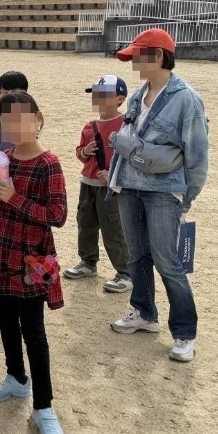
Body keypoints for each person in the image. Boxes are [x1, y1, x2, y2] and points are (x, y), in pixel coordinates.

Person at [0, 91, 68, 434]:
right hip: (0, 251)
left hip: (30, 261)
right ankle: (16, 377)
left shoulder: (48, 164)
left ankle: (43, 407)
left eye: (20, 118)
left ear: (38, 118)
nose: (13, 126)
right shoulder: (3, 159)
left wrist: (13, 197)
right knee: (5, 320)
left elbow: (56, 216)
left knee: (34, 332)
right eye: (6, 120)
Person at [106, 28, 208, 363]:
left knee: (167, 262)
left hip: (164, 191)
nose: (134, 63)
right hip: (129, 186)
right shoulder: (139, 94)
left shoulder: (186, 98)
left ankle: (184, 332)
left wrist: (186, 197)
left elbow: (197, 154)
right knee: (136, 255)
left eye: (139, 56)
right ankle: (144, 313)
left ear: (159, 56)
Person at [63, 75, 132, 293]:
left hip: (112, 188)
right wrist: (84, 152)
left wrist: (112, 175)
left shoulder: (126, 125)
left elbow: (131, 157)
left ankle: (126, 272)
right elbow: (79, 153)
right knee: (86, 223)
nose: (98, 100)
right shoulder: (89, 126)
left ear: (120, 99)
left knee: (113, 229)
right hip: (88, 183)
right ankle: (88, 261)